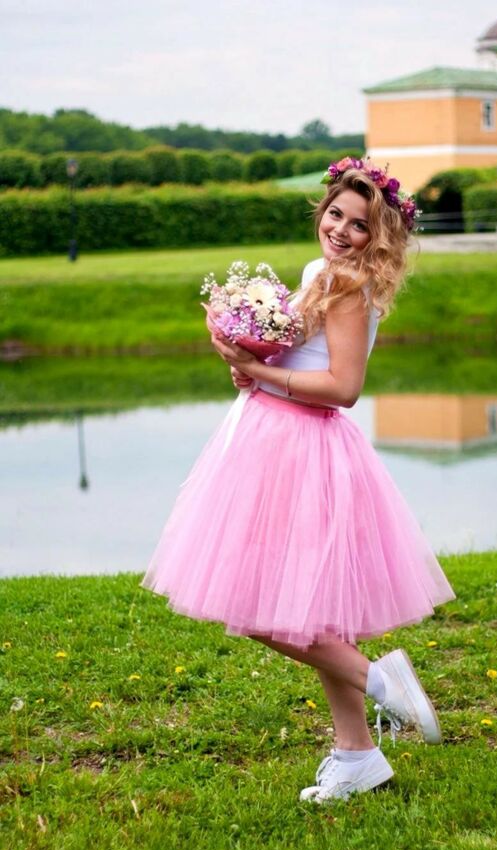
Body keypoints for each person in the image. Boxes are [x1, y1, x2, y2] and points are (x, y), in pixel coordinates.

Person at [141, 158, 456, 803]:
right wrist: (249, 355)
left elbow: (343, 386)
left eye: (359, 225)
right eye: (335, 214)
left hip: (299, 446)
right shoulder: (320, 273)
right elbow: (304, 358)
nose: (340, 229)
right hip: (273, 437)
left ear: (378, 238)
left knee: (255, 603)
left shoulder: (346, 285)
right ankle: (357, 756)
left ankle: (382, 683)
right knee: (312, 607)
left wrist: (260, 374)